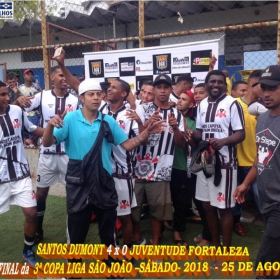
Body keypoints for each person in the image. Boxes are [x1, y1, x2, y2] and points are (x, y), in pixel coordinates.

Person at [42, 78, 164, 266]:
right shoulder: (70, 119)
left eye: (99, 94)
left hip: (104, 182)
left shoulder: (108, 121)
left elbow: (129, 145)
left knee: (108, 233)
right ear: (82, 98)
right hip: (79, 183)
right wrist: (50, 125)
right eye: (91, 94)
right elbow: (47, 143)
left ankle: (112, 268)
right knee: (77, 233)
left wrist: (147, 132)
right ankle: (74, 273)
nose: (96, 98)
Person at [15, 66, 79, 243]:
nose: (64, 78)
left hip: (68, 154)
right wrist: (19, 100)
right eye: (60, 75)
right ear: (52, 78)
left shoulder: (74, 100)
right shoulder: (42, 96)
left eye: (65, 75)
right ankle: (38, 230)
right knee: (41, 194)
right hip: (47, 154)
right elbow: (22, 108)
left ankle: (71, 236)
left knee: (72, 195)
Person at [185, 70, 245, 260]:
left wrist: (224, 141)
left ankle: (225, 253)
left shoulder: (232, 104)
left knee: (224, 207)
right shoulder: (202, 104)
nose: (216, 85)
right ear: (207, 84)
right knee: (207, 205)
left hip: (225, 164)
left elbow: (240, 134)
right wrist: (186, 132)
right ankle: (215, 245)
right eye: (212, 81)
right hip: (205, 161)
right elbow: (200, 133)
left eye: (220, 82)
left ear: (225, 86)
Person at [234, 65, 280, 279]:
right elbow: (261, 157)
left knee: (264, 268)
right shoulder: (262, 119)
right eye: (264, 87)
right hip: (267, 201)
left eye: (274, 88)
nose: (267, 93)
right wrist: (245, 184)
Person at [132, 74, 185, 246]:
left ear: (171, 89)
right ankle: (137, 237)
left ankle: (155, 242)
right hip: (138, 166)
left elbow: (180, 144)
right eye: (159, 87)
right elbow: (137, 137)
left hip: (162, 168)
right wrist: (147, 124)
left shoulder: (177, 112)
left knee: (157, 209)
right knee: (134, 207)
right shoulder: (142, 109)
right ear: (153, 89)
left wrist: (176, 127)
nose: (162, 91)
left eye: (166, 87)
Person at [0, 81, 44, 266]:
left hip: (20, 174)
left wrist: (56, 132)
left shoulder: (16, 111)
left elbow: (32, 129)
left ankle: (27, 250)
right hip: (1, 179)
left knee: (32, 213)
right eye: (2, 95)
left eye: (6, 93)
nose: (7, 97)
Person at [99, 78, 144, 250]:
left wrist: (140, 123)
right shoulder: (100, 110)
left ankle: (128, 251)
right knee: (108, 216)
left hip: (123, 173)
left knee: (125, 216)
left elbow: (140, 140)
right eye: (109, 87)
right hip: (103, 172)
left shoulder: (129, 114)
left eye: (114, 87)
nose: (109, 89)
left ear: (124, 94)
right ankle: (113, 250)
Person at [232, 70, 263, 236]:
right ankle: (236, 223)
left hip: (258, 163)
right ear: (252, 84)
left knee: (263, 199)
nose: (266, 90)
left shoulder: (265, 106)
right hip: (236, 162)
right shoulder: (234, 104)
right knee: (235, 197)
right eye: (262, 86)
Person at [18, 69, 42, 146]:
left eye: (31, 74)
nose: (30, 76)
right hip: (24, 113)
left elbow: (41, 97)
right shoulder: (20, 88)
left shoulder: (36, 87)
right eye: (28, 74)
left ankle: (32, 143)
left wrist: (39, 89)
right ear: (24, 76)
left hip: (34, 113)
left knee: (34, 136)